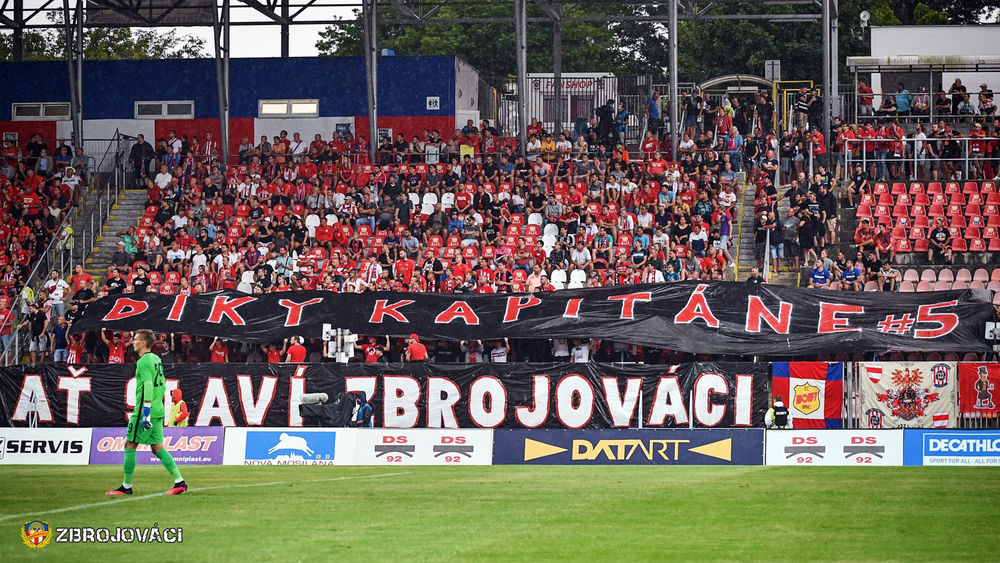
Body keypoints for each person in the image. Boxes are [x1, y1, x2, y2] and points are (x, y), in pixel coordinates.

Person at [107, 329, 187, 496]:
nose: (133, 341)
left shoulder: (143, 362)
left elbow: (148, 386)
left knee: (130, 444)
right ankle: (180, 481)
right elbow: (163, 385)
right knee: (157, 447)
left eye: (136, 339)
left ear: (143, 343)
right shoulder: (156, 359)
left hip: (146, 410)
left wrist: (146, 412)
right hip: (159, 409)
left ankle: (126, 486)